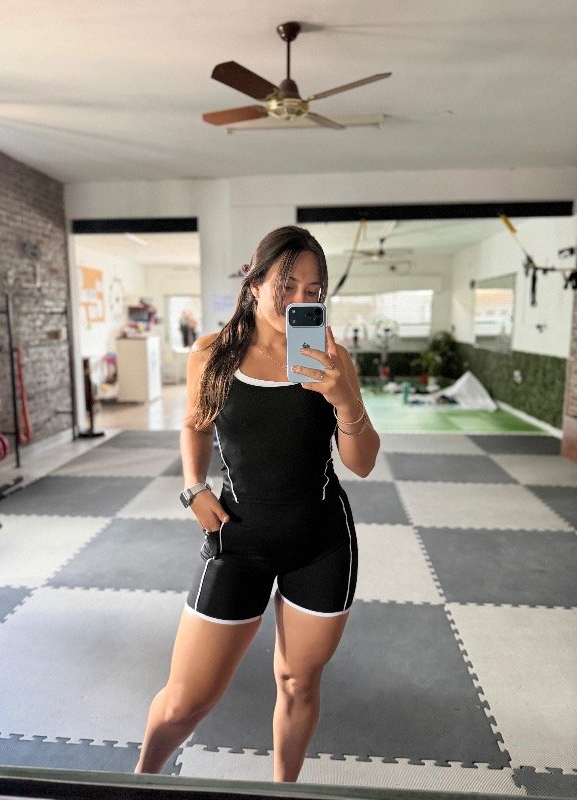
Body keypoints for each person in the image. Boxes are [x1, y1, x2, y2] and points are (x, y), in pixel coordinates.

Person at [135, 226, 380, 781]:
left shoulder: (332, 359)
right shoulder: (212, 354)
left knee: (298, 682)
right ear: (254, 283)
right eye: (285, 286)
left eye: (312, 292)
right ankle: (140, 781)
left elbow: (362, 463)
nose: (298, 300)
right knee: (184, 701)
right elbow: (195, 424)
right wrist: (194, 487)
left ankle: (283, 792)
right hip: (238, 538)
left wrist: (344, 398)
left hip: (321, 543)